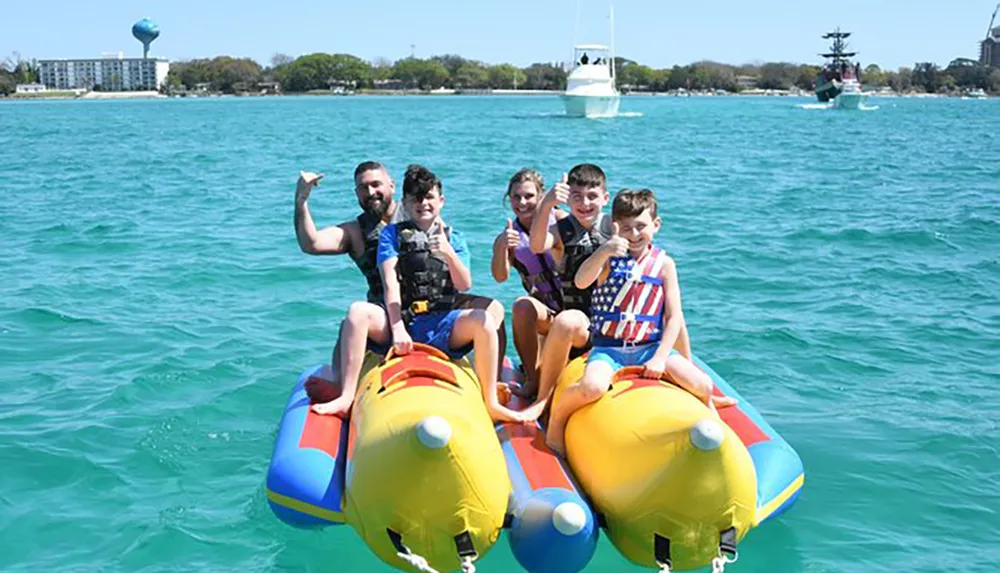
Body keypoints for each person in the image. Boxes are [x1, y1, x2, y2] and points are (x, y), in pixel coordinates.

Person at [295, 162, 506, 416]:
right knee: (352, 319)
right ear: (356, 194)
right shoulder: (357, 231)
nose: (371, 192)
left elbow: (458, 273)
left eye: (376, 185)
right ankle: (343, 388)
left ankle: (487, 381)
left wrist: (447, 249)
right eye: (363, 188)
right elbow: (312, 243)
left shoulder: (419, 211)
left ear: (392, 188)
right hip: (387, 307)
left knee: (493, 310)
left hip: (435, 302)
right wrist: (301, 201)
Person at [544, 189, 735, 453]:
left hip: (650, 348)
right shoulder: (608, 258)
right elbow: (581, 281)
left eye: (640, 227)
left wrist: (660, 357)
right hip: (609, 350)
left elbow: (674, 317)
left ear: (656, 225)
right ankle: (556, 421)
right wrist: (604, 251)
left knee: (702, 384)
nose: (633, 234)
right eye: (625, 228)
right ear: (614, 227)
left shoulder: (665, 264)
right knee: (592, 387)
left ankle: (711, 418)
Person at [490, 169, 567, 397]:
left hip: (577, 311)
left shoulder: (561, 221)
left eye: (529, 196)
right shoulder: (509, 235)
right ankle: (533, 379)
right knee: (521, 306)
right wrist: (502, 247)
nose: (522, 203)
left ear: (542, 196)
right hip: (547, 313)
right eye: (516, 197)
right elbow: (500, 276)